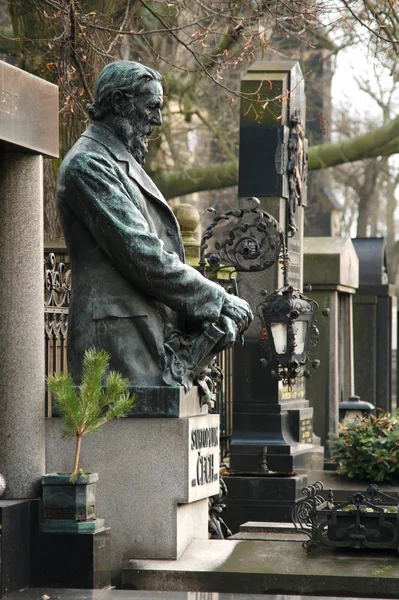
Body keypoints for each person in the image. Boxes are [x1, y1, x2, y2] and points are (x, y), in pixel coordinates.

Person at [57, 60, 253, 390]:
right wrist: (217, 300)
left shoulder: (120, 161)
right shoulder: (87, 164)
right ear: (119, 103)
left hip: (148, 334)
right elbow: (142, 254)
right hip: (118, 344)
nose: (158, 120)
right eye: (151, 107)